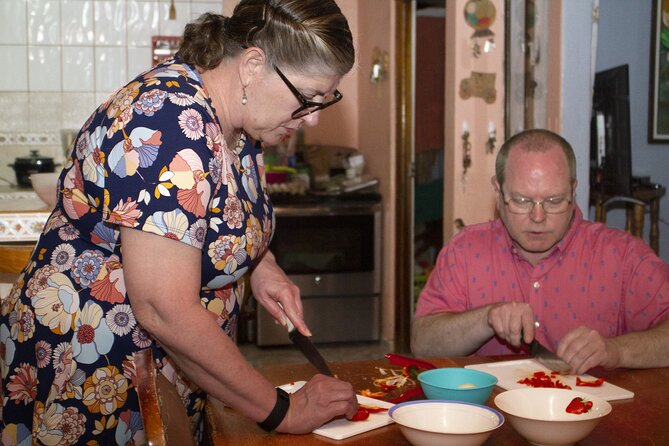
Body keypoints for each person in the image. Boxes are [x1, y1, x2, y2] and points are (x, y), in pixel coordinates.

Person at [0, 1, 358, 444]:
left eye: (327, 99)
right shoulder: (170, 124)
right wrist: (282, 410)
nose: (315, 118)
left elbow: (217, 212)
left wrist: (260, 266)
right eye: (308, 98)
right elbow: (162, 308)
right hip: (98, 366)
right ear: (252, 65)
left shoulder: (236, 120)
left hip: (170, 367)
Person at [412, 129, 669, 375]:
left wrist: (617, 351)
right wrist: (486, 319)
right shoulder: (465, 250)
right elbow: (423, 345)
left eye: (554, 201)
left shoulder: (621, 255)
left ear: (573, 192)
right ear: (498, 192)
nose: (538, 217)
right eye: (522, 201)